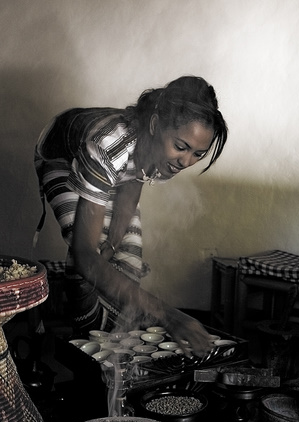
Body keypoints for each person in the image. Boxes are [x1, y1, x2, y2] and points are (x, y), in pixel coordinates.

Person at [34, 75, 228, 355]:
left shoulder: (161, 152)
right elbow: (85, 255)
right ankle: (88, 344)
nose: (185, 162)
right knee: (88, 261)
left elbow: (132, 183)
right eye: (181, 147)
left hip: (112, 167)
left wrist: (112, 248)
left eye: (198, 153)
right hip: (62, 158)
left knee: (127, 264)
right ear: (154, 126)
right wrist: (170, 316)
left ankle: (116, 350)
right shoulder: (107, 146)